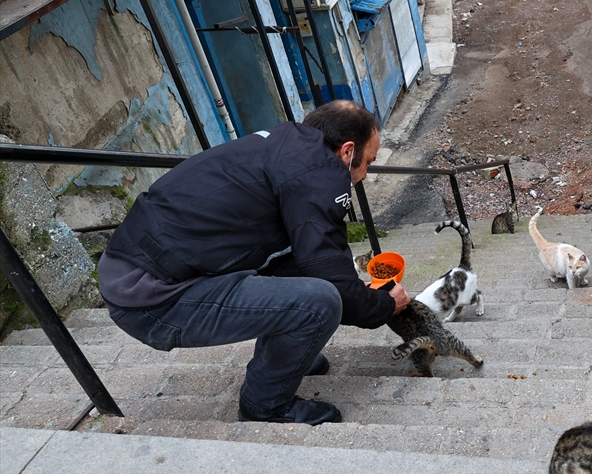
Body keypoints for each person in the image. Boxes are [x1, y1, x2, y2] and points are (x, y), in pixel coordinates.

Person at [98, 100, 410, 426]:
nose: (365, 175)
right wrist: (385, 305)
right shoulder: (322, 173)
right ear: (347, 151)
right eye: (368, 162)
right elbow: (334, 283)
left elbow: (319, 255)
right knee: (321, 303)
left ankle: (289, 356)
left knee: (304, 270)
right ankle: (265, 406)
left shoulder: (286, 145)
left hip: (132, 268)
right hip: (151, 300)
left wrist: (355, 290)